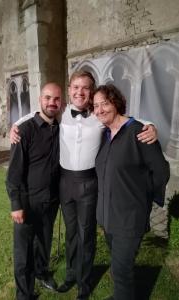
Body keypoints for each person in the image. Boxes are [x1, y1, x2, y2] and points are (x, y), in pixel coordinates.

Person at [10, 71, 157, 300]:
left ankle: (85, 284)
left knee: (86, 235)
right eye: (76, 87)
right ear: (69, 90)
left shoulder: (100, 115)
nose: (80, 92)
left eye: (86, 88)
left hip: (89, 182)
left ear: (92, 91)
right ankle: (71, 275)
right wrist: (15, 125)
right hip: (64, 183)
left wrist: (150, 125)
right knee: (71, 234)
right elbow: (38, 113)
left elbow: (126, 120)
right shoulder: (62, 112)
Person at [93, 84, 170, 300]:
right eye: (96, 106)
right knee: (120, 267)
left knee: (121, 270)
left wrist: (142, 200)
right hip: (108, 217)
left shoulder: (139, 132)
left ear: (116, 102)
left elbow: (161, 171)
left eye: (105, 104)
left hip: (129, 217)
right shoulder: (104, 134)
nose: (99, 110)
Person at [6, 82, 62, 300]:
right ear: (40, 100)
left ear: (61, 102)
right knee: (24, 251)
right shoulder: (24, 130)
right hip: (28, 201)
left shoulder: (61, 127)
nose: (52, 103)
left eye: (56, 99)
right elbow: (13, 173)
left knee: (44, 242)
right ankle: (24, 294)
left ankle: (41, 273)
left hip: (51, 200)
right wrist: (16, 205)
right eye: (48, 98)